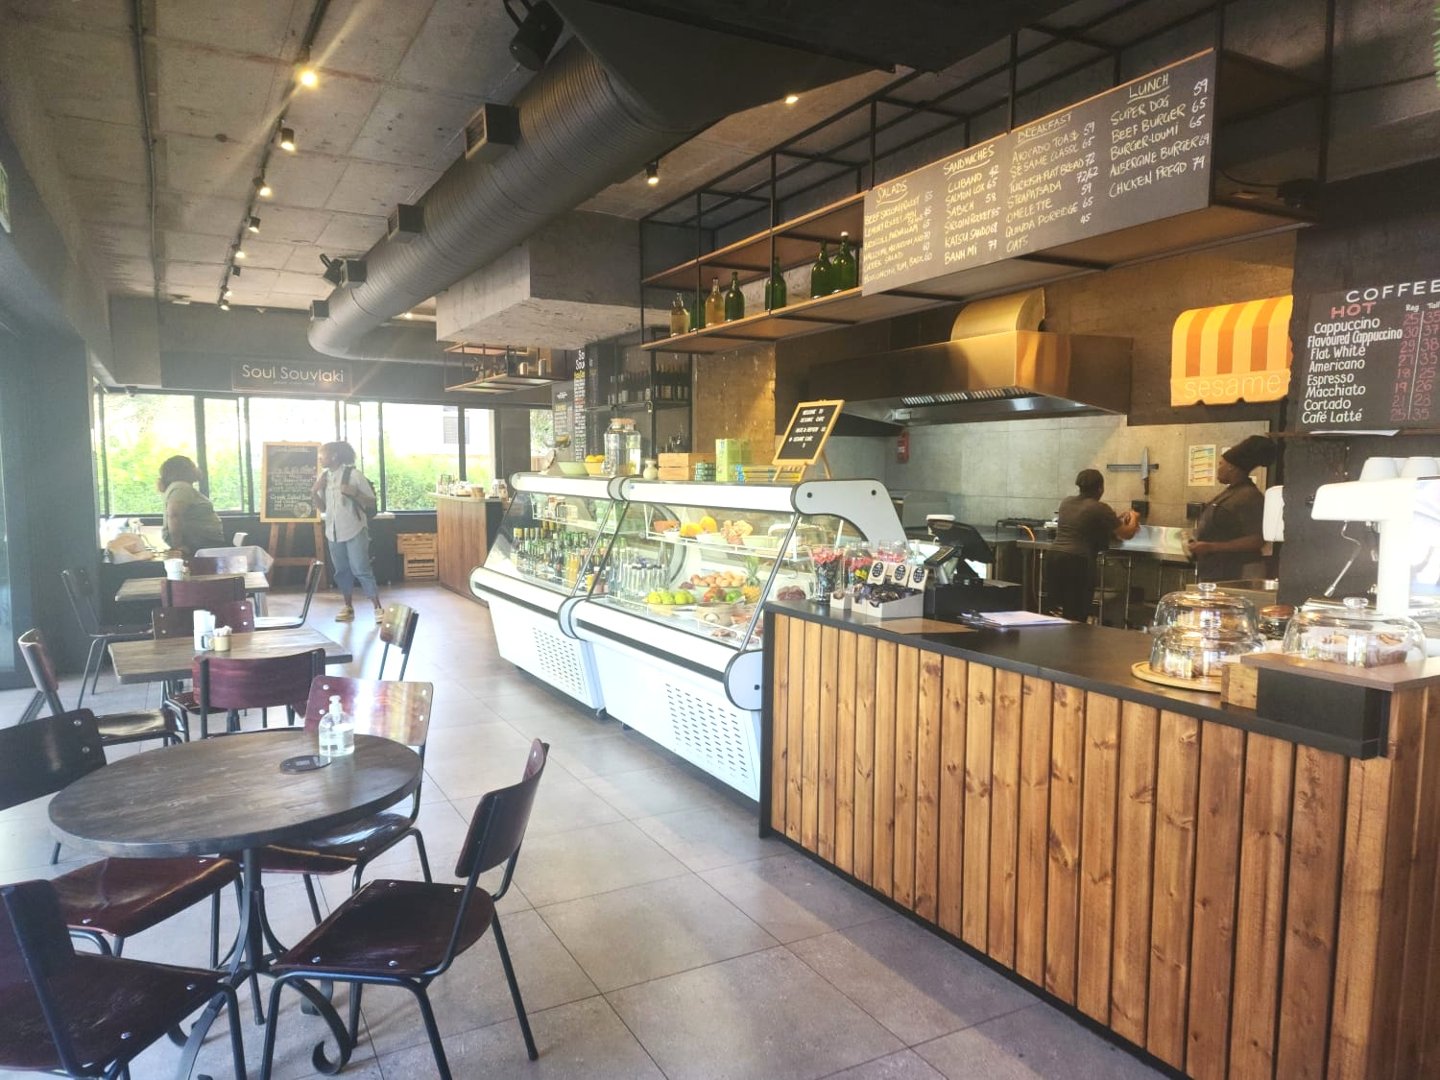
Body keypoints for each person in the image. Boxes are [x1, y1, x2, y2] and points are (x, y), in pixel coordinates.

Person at [1047, 468, 1141, 621]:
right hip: (1077, 562)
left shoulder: (1066, 502)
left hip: (1054, 558)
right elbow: (1126, 534)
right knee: (1076, 613)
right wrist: (1134, 516)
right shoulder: (1099, 507)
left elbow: (1089, 523)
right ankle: (1076, 636)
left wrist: (1117, 519)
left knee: (1057, 611)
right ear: (1100, 488)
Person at [1188, 434, 1277, 582]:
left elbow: (1257, 540)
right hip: (1217, 571)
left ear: (1231, 467)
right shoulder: (1232, 492)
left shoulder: (1249, 497)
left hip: (1237, 574)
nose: (1218, 469)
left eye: (1220, 464)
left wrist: (1211, 547)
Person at [311, 441, 381, 622]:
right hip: (332, 531)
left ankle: (377, 608)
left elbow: (372, 502)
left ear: (334, 456)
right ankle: (348, 606)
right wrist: (314, 491)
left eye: (322, 455)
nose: (320, 459)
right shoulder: (323, 477)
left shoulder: (354, 475)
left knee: (361, 568)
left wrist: (353, 492)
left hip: (355, 528)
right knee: (341, 570)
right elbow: (323, 508)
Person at [156, 454, 226, 557]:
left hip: (202, 545)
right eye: (193, 466)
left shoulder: (181, 487)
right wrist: (178, 545)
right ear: (184, 470)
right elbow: (174, 515)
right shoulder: (181, 487)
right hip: (198, 546)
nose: (197, 469)